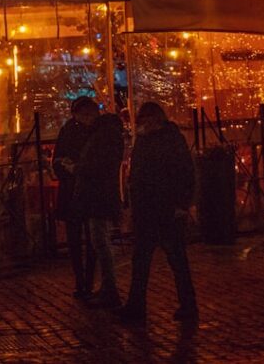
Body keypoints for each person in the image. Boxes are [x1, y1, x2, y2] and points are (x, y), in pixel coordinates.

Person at [116, 102, 198, 324]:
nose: (147, 123)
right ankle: (137, 306)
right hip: (148, 209)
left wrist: (181, 204)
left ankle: (187, 304)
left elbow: (185, 173)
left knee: (175, 259)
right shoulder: (145, 140)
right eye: (144, 119)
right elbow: (139, 175)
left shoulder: (170, 139)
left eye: (150, 119)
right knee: (143, 260)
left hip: (166, 208)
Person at [72, 98, 126, 308]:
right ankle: (107, 288)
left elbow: (97, 166)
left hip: (98, 195)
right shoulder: (104, 133)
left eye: (81, 118)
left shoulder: (102, 135)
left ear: (88, 114)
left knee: (101, 242)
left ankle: (110, 290)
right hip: (100, 194)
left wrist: (78, 168)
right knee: (100, 241)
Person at [53, 97, 98, 299]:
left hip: (86, 189)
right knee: (75, 239)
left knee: (91, 238)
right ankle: (81, 280)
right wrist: (65, 168)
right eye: (82, 114)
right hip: (73, 190)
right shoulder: (68, 130)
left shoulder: (95, 132)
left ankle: (87, 280)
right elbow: (57, 160)